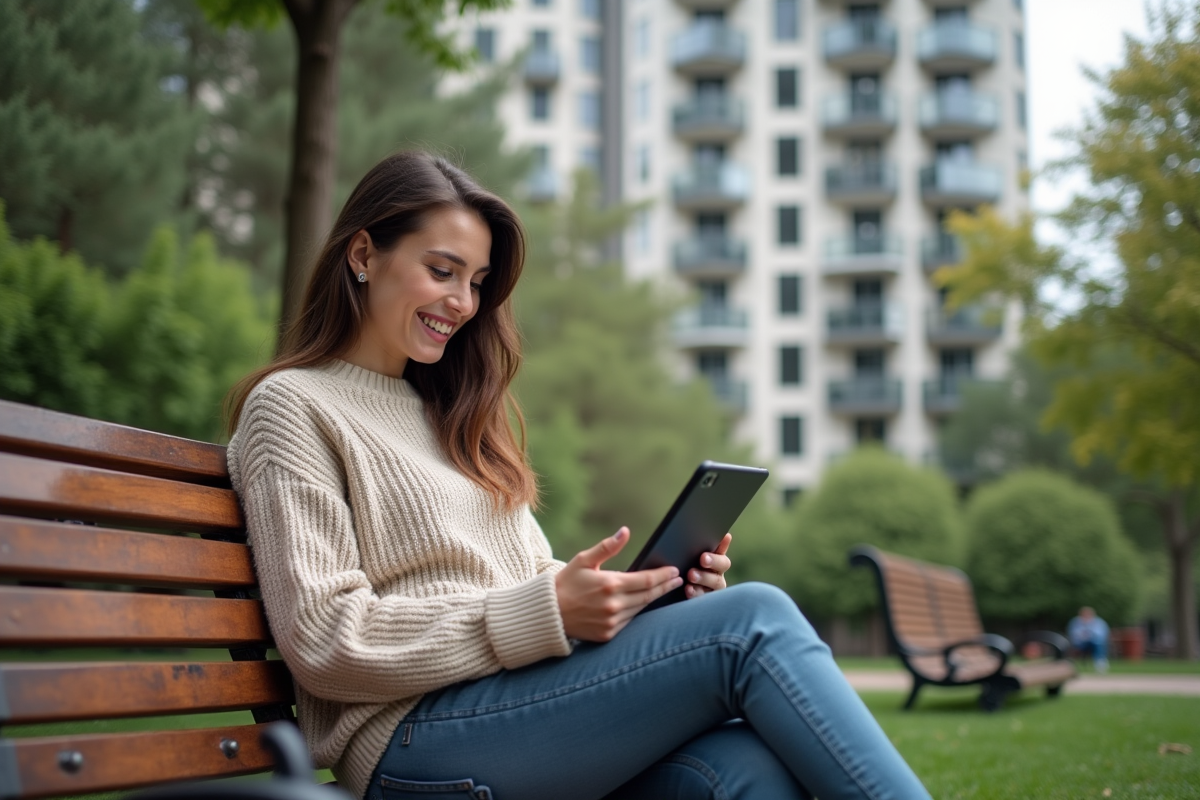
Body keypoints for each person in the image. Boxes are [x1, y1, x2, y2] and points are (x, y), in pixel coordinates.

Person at [225, 152, 931, 800]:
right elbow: (324, 636)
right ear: (363, 255)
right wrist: (545, 612)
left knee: (743, 766)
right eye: (442, 271)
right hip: (411, 744)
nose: (464, 303)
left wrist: (644, 601)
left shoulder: (449, 412)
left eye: (476, 283)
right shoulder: (292, 407)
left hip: (512, 709)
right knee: (752, 623)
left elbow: (529, 580)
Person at [1068, 606, 1110, 673]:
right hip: (1080, 644)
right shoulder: (1075, 622)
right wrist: (1083, 636)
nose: (1086, 616)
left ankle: (1100, 663)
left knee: (1097, 643)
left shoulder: (1099, 622)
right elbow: (1073, 634)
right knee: (1094, 643)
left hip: (1095, 643)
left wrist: (1089, 634)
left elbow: (1102, 635)